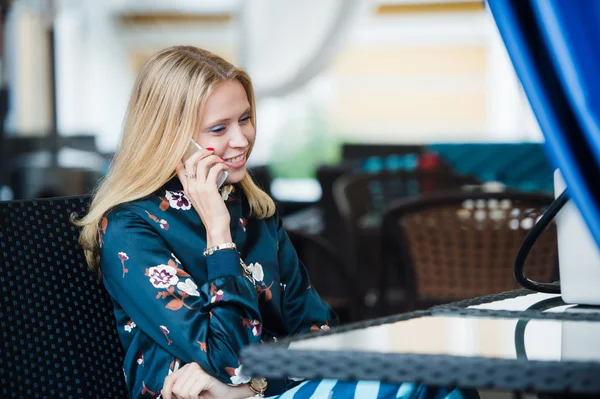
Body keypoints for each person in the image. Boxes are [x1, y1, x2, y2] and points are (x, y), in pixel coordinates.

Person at [75, 46, 478, 399]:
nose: (242, 139)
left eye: (245, 119)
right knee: (420, 381)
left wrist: (249, 388)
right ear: (168, 136)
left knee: (442, 375)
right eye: (219, 128)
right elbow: (229, 358)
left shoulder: (251, 209)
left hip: (268, 391)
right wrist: (218, 232)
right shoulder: (130, 228)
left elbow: (321, 335)